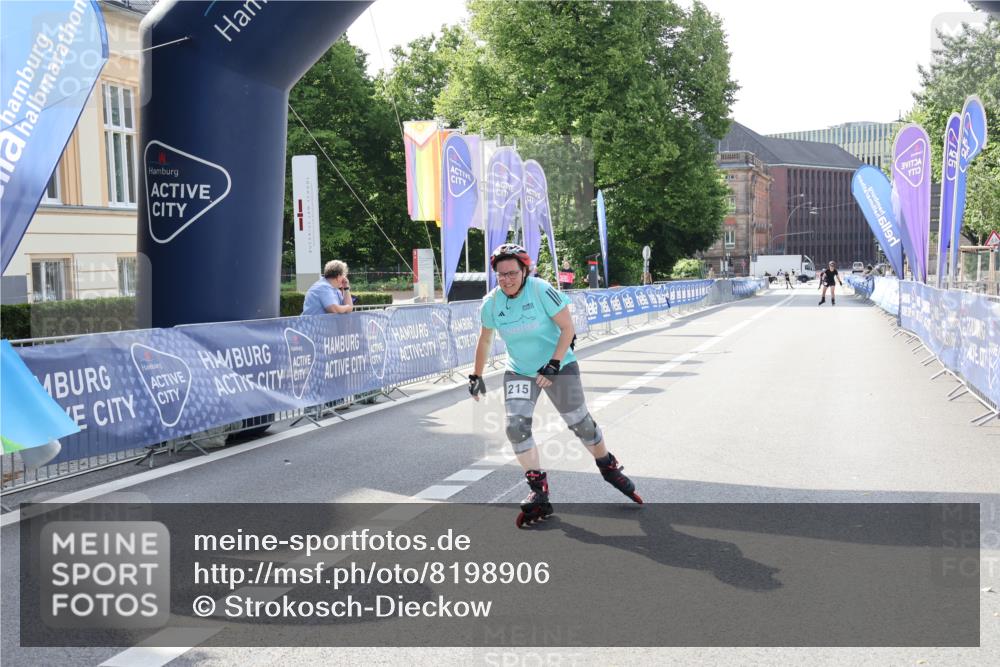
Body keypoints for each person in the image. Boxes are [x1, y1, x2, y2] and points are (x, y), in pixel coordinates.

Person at [469, 243, 642, 528]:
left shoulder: (540, 290)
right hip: (520, 372)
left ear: (525, 271)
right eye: (501, 275)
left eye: (512, 273)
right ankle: (539, 491)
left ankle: (607, 465)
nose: (506, 280)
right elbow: (485, 339)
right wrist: (476, 376)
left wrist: (554, 364)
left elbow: (567, 328)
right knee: (516, 426)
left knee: (580, 423)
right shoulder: (492, 303)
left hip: (559, 365)